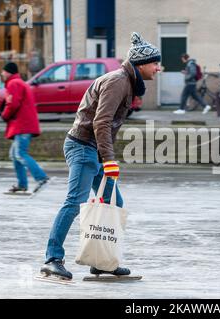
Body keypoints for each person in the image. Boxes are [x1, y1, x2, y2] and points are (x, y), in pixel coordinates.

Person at [40, 32, 161, 280]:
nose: (158, 68)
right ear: (140, 64)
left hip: (93, 149)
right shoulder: (118, 81)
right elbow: (102, 122)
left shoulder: (126, 81)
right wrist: (109, 160)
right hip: (83, 147)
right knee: (75, 202)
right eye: (155, 63)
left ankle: (102, 261)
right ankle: (53, 258)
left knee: (113, 204)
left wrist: (105, 157)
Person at [0, 62, 50, 194]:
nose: (2, 74)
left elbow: (13, 104)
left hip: (22, 125)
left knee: (20, 153)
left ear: (8, 72)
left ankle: (41, 178)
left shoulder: (13, 83)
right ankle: (22, 184)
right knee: (14, 154)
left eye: (3, 71)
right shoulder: (20, 82)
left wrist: (4, 115)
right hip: (24, 124)